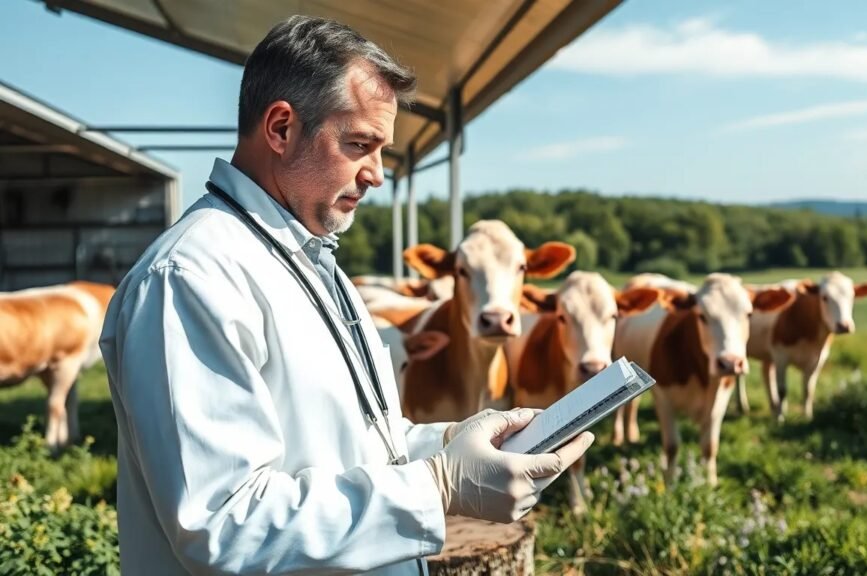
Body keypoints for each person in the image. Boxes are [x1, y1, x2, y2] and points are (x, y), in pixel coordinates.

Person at [99, 15, 593, 576]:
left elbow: (356, 443)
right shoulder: (190, 278)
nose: (377, 174)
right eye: (360, 144)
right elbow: (225, 524)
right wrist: (438, 486)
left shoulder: (315, 264)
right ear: (281, 128)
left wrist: (452, 442)